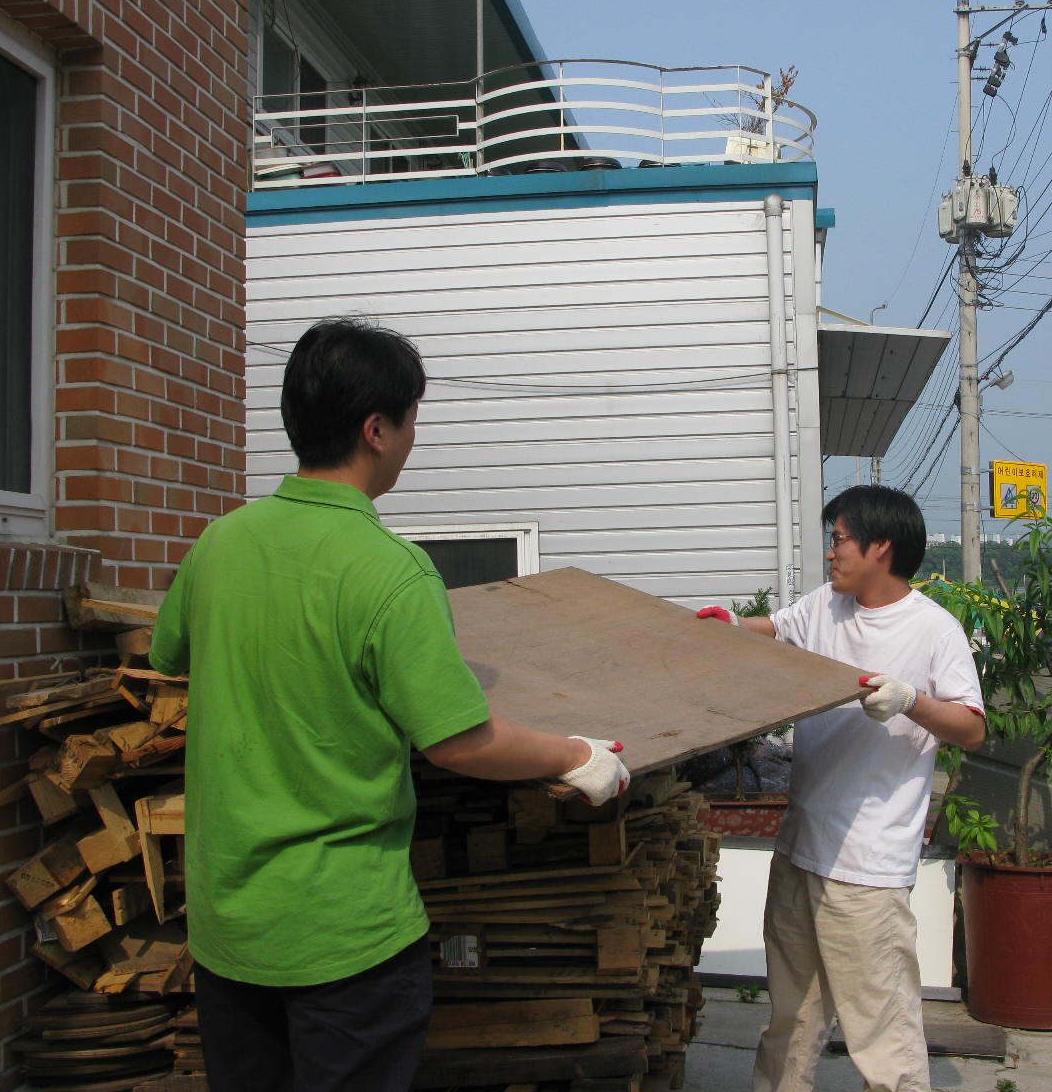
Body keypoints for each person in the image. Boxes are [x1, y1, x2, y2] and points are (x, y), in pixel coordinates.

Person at [148, 316, 628, 1092]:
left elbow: (169, 654)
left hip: (228, 926)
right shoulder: (391, 572)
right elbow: (461, 743)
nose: (412, 437)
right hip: (346, 936)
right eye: (410, 419)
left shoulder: (219, 545)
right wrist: (579, 755)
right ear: (376, 429)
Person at [696, 485, 985, 1092]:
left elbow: (973, 728)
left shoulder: (935, 630)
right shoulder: (827, 605)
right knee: (791, 1017)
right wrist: (729, 625)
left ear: (881, 547)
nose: (831, 554)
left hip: (868, 867)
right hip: (801, 847)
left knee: (881, 1029)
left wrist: (912, 701)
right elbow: (774, 627)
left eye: (839, 540)